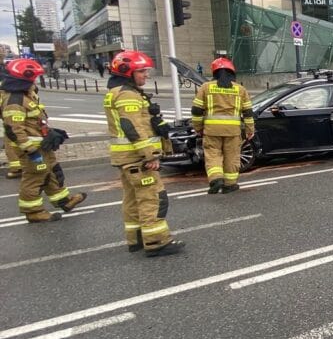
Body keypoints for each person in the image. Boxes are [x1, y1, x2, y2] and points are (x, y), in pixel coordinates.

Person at [104, 50, 183, 256]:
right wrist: (150, 155)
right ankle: (156, 242)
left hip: (126, 158)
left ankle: (136, 239)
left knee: (132, 199)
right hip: (137, 158)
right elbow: (132, 127)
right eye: (141, 71)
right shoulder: (127, 94)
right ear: (127, 72)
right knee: (153, 198)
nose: (146, 75)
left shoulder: (118, 92)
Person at [1, 58, 87, 223]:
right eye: (32, 78)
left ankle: (64, 201)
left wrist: (50, 133)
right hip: (32, 149)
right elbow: (14, 129)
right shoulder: (15, 101)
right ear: (23, 79)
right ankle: (33, 212)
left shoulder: (25, 96)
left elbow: (33, 122)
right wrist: (30, 151)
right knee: (34, 178)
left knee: (52, 172)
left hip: (41, 145)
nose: (34, 82)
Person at [190, 56, 255, 194]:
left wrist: (198, 128)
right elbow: (248, 113)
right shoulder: (240, 89)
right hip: (233, 131)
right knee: (232, 156)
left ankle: (216, 179)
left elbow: (196, 110)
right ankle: (230, 184)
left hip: (211, 130)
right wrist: (250, 130)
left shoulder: (206, 87)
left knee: (213, 155)